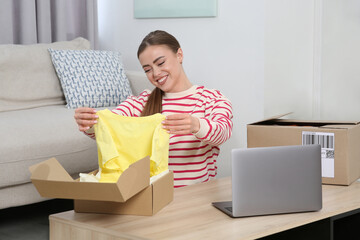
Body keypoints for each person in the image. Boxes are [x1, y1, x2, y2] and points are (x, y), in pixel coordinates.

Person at [74, 30, 233, 188]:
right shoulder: (142, 102)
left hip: (195, 198)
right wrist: (91, 122)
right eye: (147, 69)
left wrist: (196, 125)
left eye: (161, 63)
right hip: (151, 199)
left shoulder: (211, 99)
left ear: (179, 55)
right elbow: (111, 125)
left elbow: (223, 131)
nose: (156, 73)